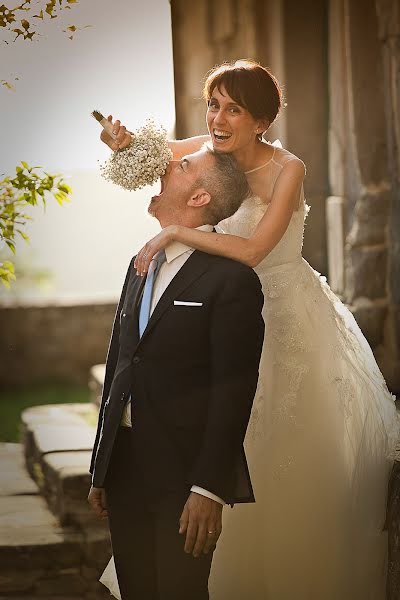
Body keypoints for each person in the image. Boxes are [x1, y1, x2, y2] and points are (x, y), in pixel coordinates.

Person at [99, 59, 398, 599]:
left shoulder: (289, 169)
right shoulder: (207, 151)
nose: (217, 118)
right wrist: (120, 144)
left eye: (232, 109)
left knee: (282, 451)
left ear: (260, 121)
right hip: (221, 313)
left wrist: (176, 235)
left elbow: (257, 250)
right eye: (213, 104)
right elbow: (149, 161)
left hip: (286, 312)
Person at [87, 145, 265, 600]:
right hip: (124, 467)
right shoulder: (140, 264)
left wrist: (210, 487)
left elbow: (234, 391)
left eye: (183, 165)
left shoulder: (231, 281)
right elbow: (120, 362)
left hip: (185, 478)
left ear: (200, 198)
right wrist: (101, 465)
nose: (167, 165)